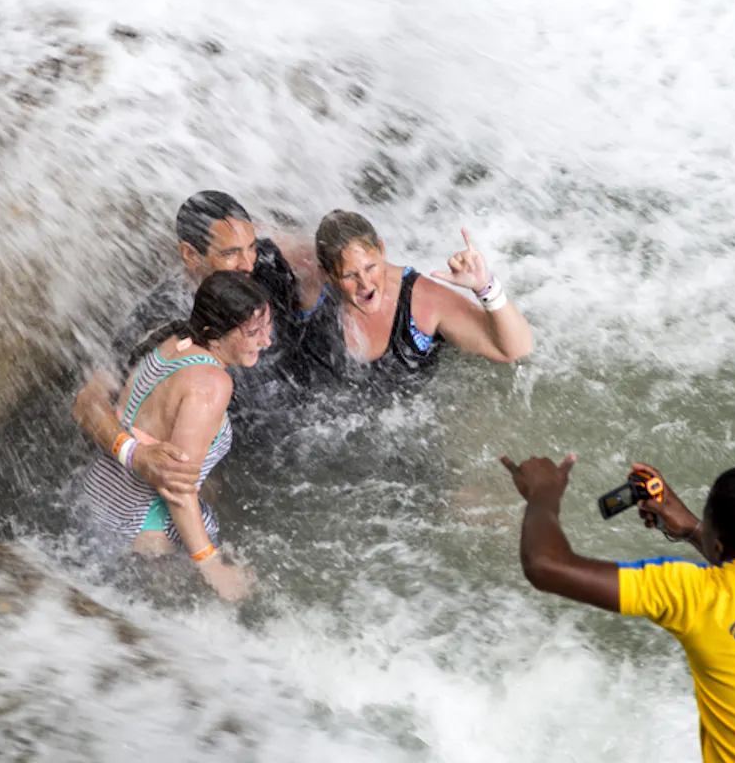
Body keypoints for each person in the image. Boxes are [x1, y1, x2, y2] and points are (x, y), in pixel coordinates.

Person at [500, 454, 735, 762]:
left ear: (719, 545)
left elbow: (545, 565)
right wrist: (693, 527)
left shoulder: (695, 594)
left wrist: (543, 494)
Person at [74, 190, 319, 503]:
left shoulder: (262, 261)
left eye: (251, 247)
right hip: (234, 447)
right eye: (231, 253)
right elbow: (88, 402)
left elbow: (318, 256)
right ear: (190, 255)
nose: (248, 264)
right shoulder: (160, 316)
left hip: (303, 410)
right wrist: (136, 455)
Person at [79, 271, 273, 600]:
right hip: (141, 535)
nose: (266, 341)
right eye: (253, 332)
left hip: (95, 499)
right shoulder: (212, 383)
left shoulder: (170, 338)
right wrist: (212, 566)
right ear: (214, 334)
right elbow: (177, 487)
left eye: (267, 327)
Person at [299, 209, 533, 387]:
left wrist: (485, 287)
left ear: (381, 249)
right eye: (350, 275)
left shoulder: (423, 301)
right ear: (326, 274)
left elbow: (515, 351)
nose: (365, 284)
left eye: (371, 267)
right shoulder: (313, 291)